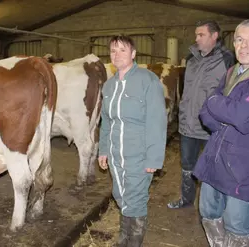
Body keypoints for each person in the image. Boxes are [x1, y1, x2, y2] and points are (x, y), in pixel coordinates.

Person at [194, 19, 249, 246]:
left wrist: (213, 100)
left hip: (244, 163)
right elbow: (204, 113)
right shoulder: (231, 72)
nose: (244, 45)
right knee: (208, 212)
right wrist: (222, 119)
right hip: (215, 156)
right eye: (239, 39)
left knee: (236, 223)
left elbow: (244, 118)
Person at [98, 35, 167, 246]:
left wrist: (154, 159)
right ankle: (124, 237)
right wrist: (103, 150)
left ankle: (132, 241)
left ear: (133, 54)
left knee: (135, 200)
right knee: (120, 195)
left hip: (139, 153)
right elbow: (106, 122)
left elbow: (157, 121)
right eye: (113, 51)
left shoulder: (148, 80)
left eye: (122, 50)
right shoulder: (109, 86)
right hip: (116, 153)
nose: (117, 55)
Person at [168, 20, 235, 209]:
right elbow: (186, 91)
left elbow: (231, 93)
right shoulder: (190, 59)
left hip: (211, 127)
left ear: (214, 36)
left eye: (201, 35)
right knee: (187, 165)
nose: (196, 39)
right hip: (188, 124)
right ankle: (186, 199)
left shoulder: (227, 59)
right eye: (196, 34)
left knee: (214, 167)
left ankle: (212, 207)